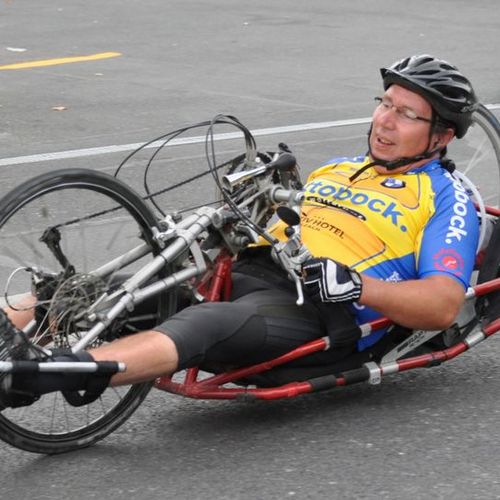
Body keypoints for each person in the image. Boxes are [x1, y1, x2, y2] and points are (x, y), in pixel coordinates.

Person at [0, 54, 480, 408]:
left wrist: (358, 285)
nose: (384, 121)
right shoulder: (339, 168)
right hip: (252, 269)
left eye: (406, 114)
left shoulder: (447, 198)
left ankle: (36, 377)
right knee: (85, 291)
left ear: (439, 136)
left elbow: (441, 304)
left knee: (204, 324)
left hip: (313, 308)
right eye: (385, 104)